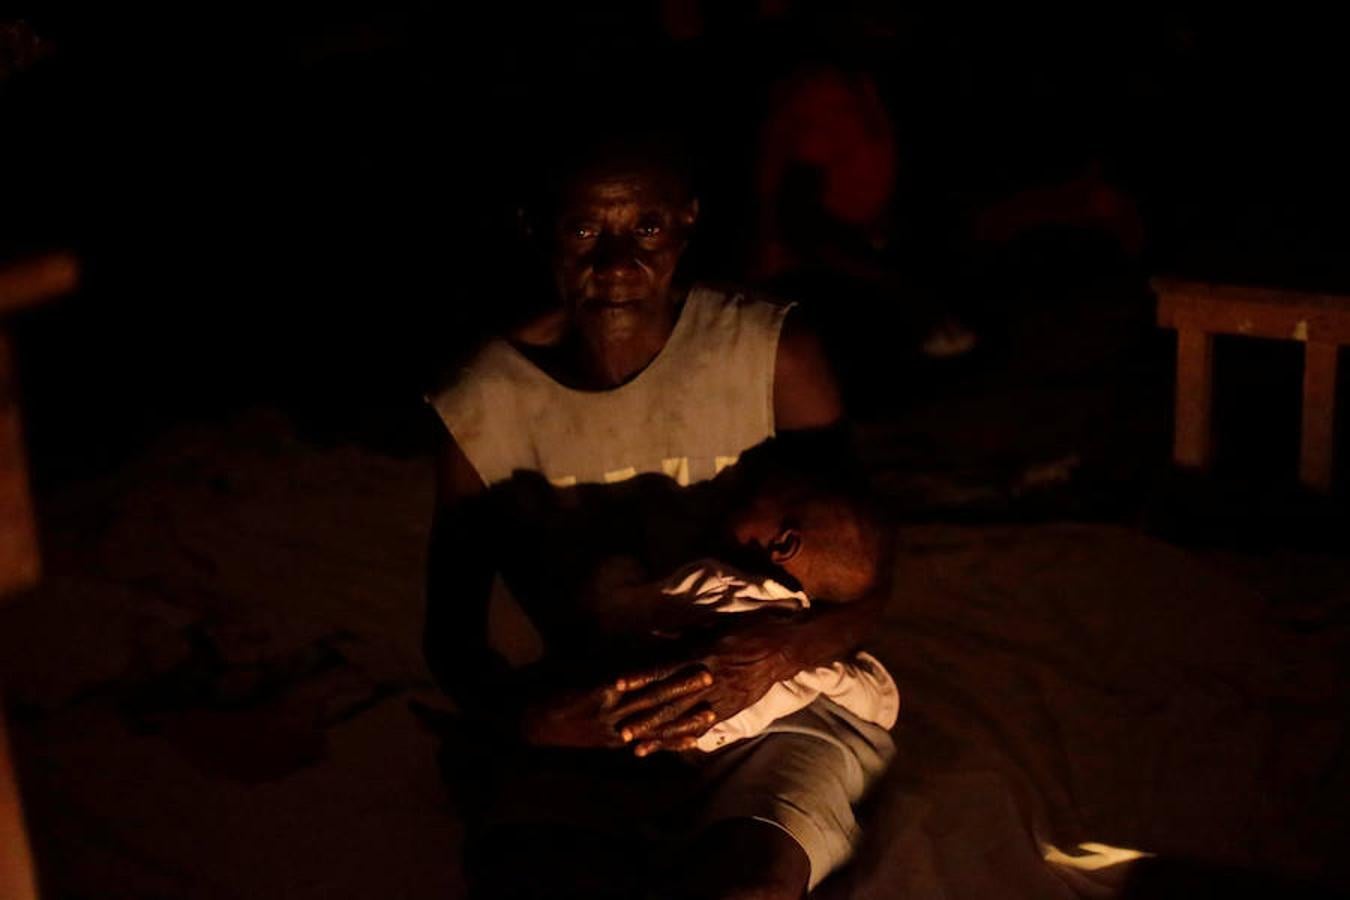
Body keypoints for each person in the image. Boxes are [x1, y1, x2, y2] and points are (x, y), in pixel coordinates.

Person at [424, 128, 894, 899]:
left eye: (645, 227)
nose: (617, 264)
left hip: (772, 705)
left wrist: (783, 653)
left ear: (686, 222)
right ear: (536, 230)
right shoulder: (484, 403)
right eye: (584, 229)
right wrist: (529, 719)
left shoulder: (769, 354)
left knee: (752, 884)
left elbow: (866, 575)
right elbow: (451, 632)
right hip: (603, 711)